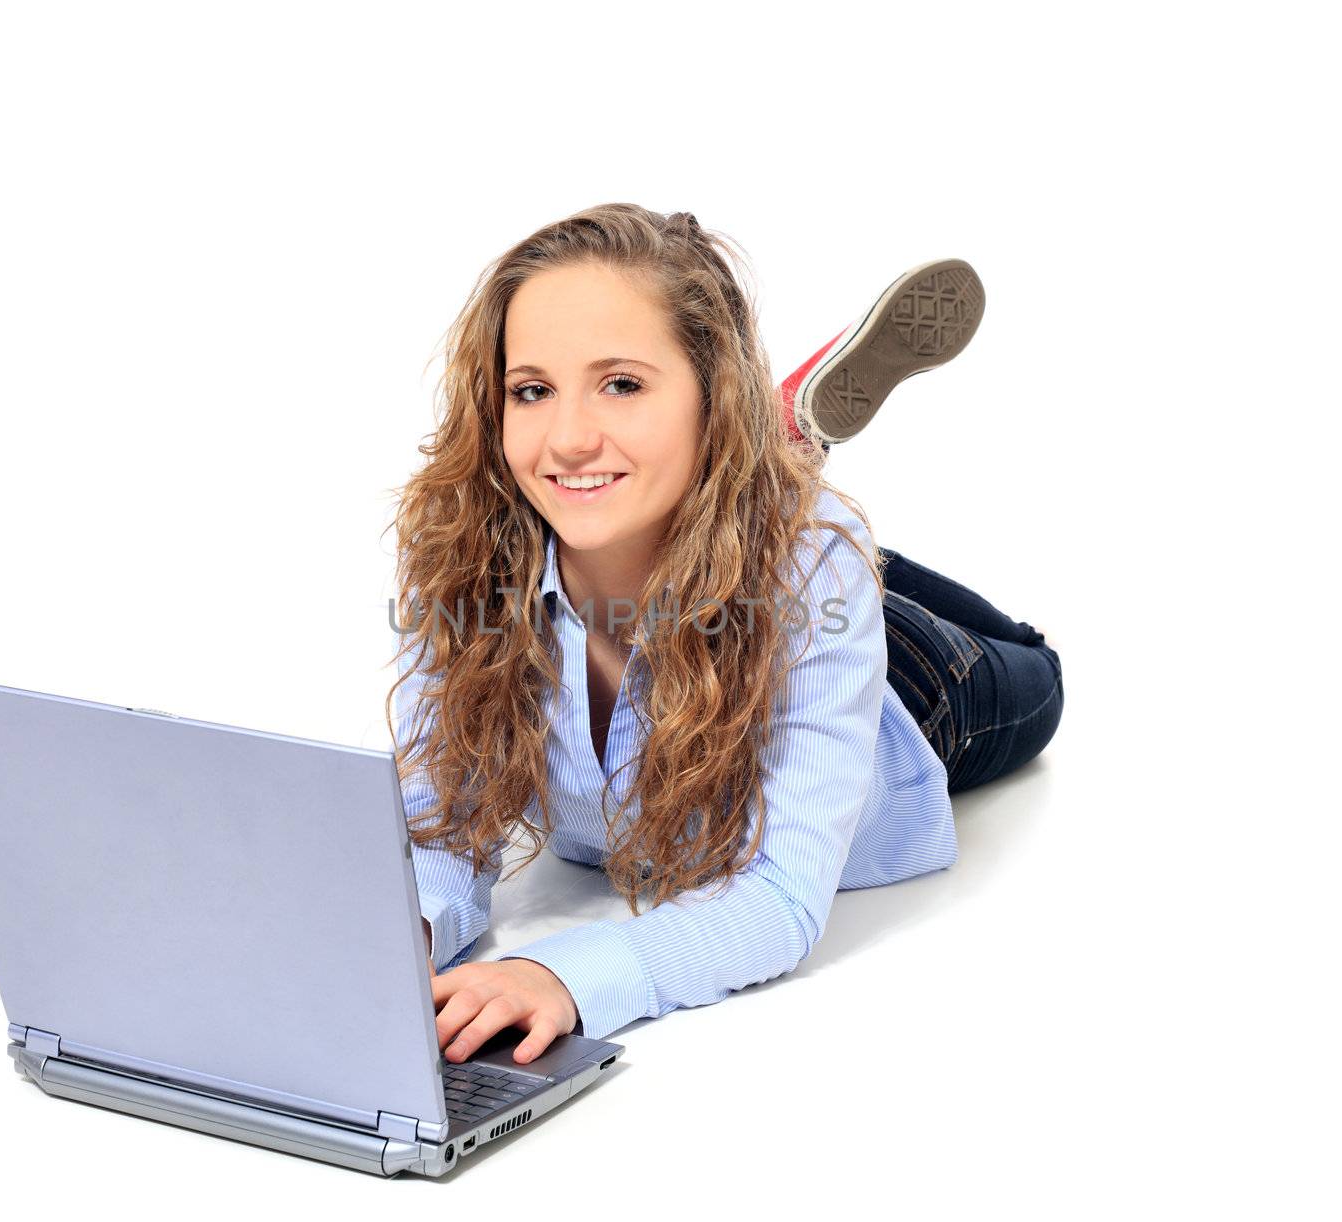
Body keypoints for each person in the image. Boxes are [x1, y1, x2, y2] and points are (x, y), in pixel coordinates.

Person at [386, 203, 1063, 1069]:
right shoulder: (463, 555)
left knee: (1027, 663)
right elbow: (446, 827)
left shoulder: (813, 571)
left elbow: (780, 897)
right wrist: (400, 927)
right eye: (532, 390)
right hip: (743, 549)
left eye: (622, 384)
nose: (566, 437)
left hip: (914, 691)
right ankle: (769, 459)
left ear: (712, 392)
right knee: (794, 544)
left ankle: (772, 473)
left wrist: (558, 974)